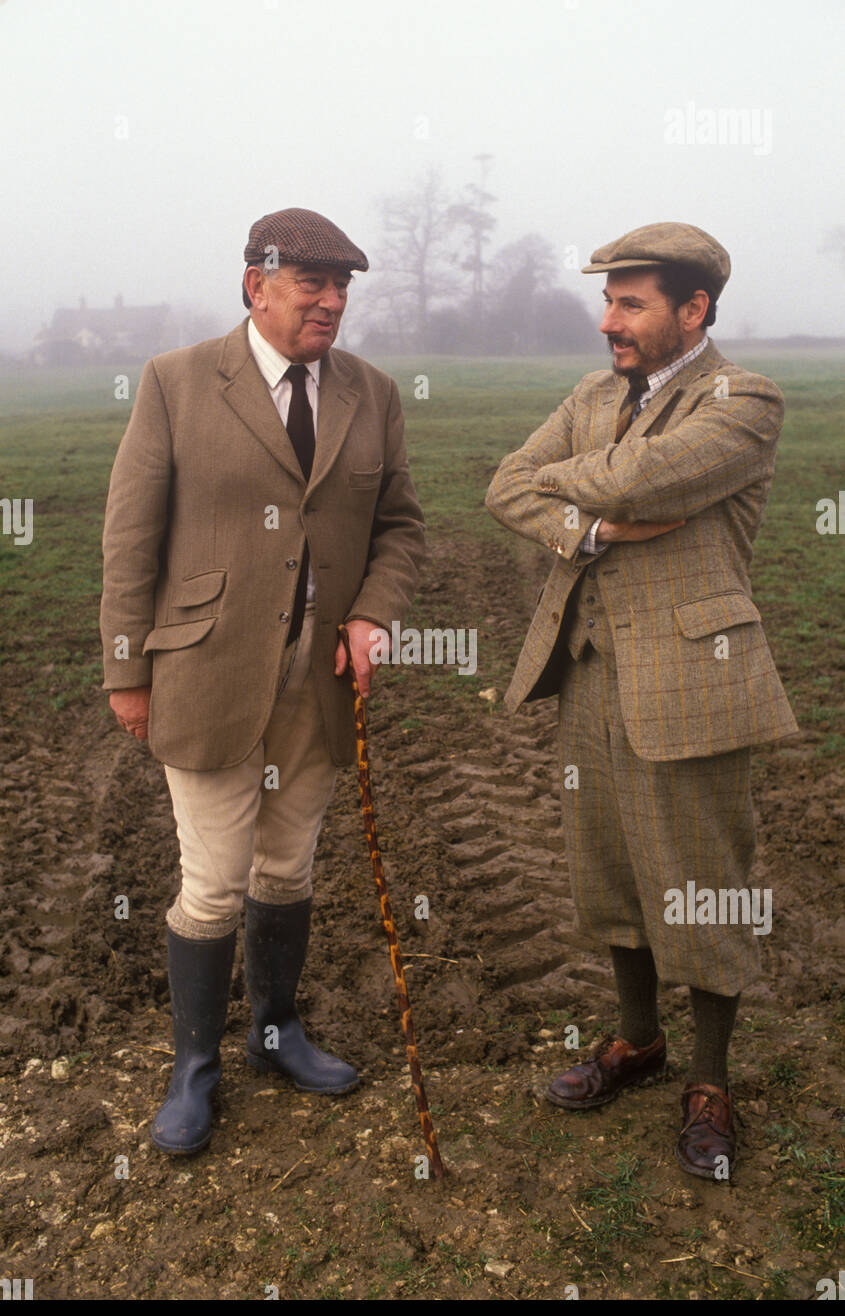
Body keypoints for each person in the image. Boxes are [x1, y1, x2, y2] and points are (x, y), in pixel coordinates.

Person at [100, 207, 425, 1155]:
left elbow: (401, 526)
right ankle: (192, 1069)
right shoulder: (176, 381)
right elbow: (130, 534)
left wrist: (371, 614)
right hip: (204, 673)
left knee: (288, 869)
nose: (330, 303)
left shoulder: (371, 392)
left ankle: (274, 1036)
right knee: (211, 884)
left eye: (343, 288)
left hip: (321, 681)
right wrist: (128, 669)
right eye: (310, 285)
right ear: (257, 285)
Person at [485, 222, 797, 1179]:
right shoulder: (592, 393)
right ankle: (636, 1042)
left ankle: (709, 1079)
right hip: (588, 667)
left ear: (692, 310)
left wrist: (578, 491)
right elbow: (506, 487)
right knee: (607, 868)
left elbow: (640, 473)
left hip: (694, 678)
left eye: (630, 303)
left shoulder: (743, 401)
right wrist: (595, 529)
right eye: (608, 301)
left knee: (698, 877)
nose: (608, 321)